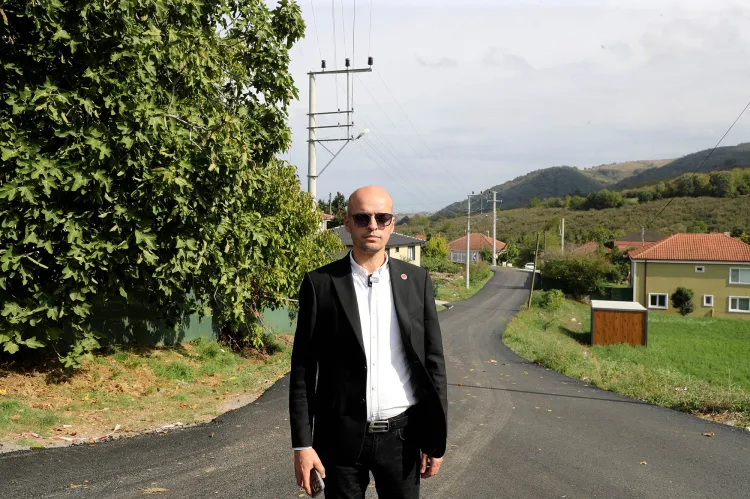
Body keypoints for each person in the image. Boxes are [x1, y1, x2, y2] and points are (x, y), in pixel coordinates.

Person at [289, 185, 448, 499]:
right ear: (348, 223)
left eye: (382, 217)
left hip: (402, 439)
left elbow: (434, 365)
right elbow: (303, 371)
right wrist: (302, 445)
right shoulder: (320, 284)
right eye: (362, 218)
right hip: (338, 438)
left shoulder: (417, 281)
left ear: (392, 224)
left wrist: (435, 439)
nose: (372, 225)